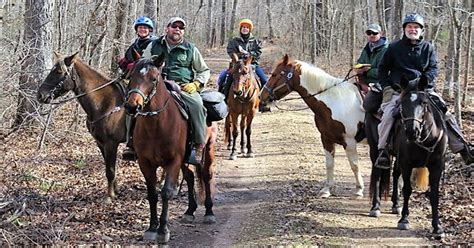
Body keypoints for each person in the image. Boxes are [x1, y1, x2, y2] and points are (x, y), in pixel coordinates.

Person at [375, 13, 473, 169]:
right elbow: (382, 70)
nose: (412, 30)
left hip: (422, 89)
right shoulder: (393, 48)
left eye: (415, 27)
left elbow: (433, 68)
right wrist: (387, 87)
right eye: (409, 27)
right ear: (404, 29)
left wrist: (425, 82)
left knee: (445, 112)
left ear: (421, 30)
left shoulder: (428, 47)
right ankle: (383, 151)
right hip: (400, 90)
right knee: (388, 114)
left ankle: (462, 148)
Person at [142, 17, 211, 165]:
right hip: (156, 86)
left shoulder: (190, 48)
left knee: (197, 105)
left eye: (181, 27)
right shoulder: (153, 45)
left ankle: (199, 144)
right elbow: (142, 63)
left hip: (183, 87)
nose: (177, 29)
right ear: (167, 28)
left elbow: (204, 70)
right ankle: (130, 142)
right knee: (135, 104)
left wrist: (196, 83)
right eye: (174, 26)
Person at [119, 16, 158, 161]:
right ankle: (128, 138)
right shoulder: (134, 45)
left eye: (145, 28)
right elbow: (127, 61)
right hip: (133, 80)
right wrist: (124, 63)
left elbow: (151, 64)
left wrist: (133, 65)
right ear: (137, 30)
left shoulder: (154, 43)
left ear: (150, 30)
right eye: (140, 28)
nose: (143, 30)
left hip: (147, 82)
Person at [217, 18, 270, 112]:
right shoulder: (234, 41)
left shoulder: (255, 41)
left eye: (247, 27)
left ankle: (262, 103)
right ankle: (223, 101)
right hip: (237, 65)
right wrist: (238, 55)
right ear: (240, 29)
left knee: (265, 80)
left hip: (252, 65)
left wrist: (249, 54)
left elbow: (258, 52)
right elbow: (230, 50)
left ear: (250, 29)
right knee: (223, 77)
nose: (245, 29)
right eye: (243, 27)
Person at [356, 23, 389, 114]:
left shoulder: (387, 50)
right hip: (363, 81)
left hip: (379, 84)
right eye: (369, 33)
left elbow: (386, 71)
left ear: (380, 33)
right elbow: (360, 62)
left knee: (370, 106)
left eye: (374, 33)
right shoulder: (367, 48)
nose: (371, 35)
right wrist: (359, 70)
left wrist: (367, 71)